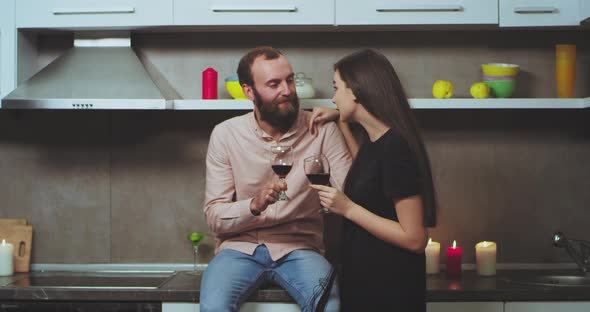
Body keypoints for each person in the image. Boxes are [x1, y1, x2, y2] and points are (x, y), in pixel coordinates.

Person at [200, 46, 352, 312]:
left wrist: (344, 118)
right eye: (274, 84)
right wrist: (253, 205)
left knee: (331, 304)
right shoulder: (225, 135)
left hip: (301, 248)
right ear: (249, 91)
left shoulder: (323, 129)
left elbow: (352, 193)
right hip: (239, 249)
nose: (287, 90)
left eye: (290, 80)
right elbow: (215, 216)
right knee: (214, 307)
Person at [308, 49, 437, 312]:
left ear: (355, 91)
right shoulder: (377, 141)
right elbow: (368, 175)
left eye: (336, 88)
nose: (333, 98)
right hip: (366, 281)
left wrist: (347, 208)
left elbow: (414, 238)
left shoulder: (396, 149)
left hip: (389, 290)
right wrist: (342, 122)